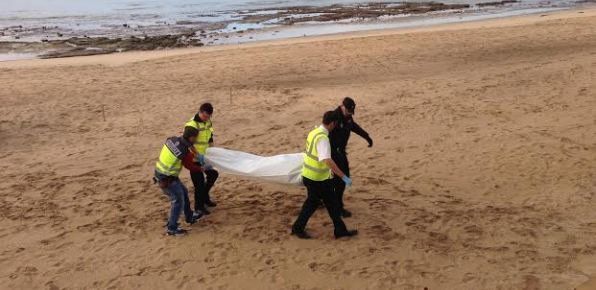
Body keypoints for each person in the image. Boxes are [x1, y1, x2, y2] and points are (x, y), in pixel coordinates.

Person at [292, 111, 358, 239]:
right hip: (317, 179)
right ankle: (298, 228)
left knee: (330, 203)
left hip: (311, 176)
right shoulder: (322, 138)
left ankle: (339, 230)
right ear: (332, 123)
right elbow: (326, 160)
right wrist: (343, 176)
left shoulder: (314, 132)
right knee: (313, 203)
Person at [154, 126, 204, 236]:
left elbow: (188, 145)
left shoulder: (172, 139)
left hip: (162, 173)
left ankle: (189, 217)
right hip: (167, 179)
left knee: (184, 193)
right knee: (177, 201)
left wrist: (195, 153)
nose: (197, 139)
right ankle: (172, 228)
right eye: (195, 137)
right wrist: (202, 168)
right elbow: (190, 166)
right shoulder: (184, 152)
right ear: (191, 137)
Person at [329, 97, 373, 218]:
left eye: (351, 112)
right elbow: (325, 135)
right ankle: (338, 207)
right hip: (332, 154)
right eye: (348, 111)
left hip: (341, 153)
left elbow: (354, 127)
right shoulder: (334, 117)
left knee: (340, 180)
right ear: (342, 106)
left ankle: (330, 202)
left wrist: (367, 137)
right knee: (339, 181)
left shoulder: (348, 117)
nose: (349, 113)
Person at [185, 103, 219, 216]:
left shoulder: (208, 121)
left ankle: (205, 198)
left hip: (205, 157)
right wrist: (197, 155)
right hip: (193, 159)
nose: (206, 118)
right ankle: (198, 207)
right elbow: (187, 142)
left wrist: (212, 150)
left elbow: (210, 137)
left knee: (213, 174)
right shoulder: (192, 126)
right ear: (200, 112)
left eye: (208, 116)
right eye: (205, 116)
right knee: (198, 184)